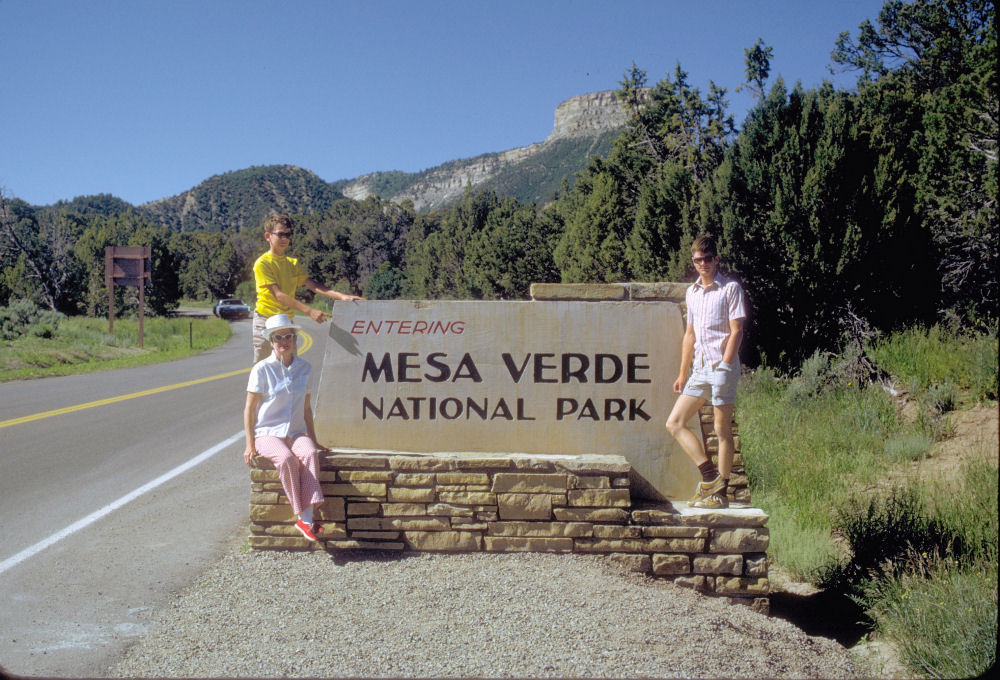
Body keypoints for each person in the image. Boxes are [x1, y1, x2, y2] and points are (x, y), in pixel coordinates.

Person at [665, 234, 747, 509]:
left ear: (716, 259)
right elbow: (690, 335)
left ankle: (720, 495)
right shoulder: (693, 292)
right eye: (698, 259)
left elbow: (737, 330)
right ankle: (711, 477)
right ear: (693, 261)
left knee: (721, 430)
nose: (703, 264)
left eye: (707, 258)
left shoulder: (730, 289)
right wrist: (682, 373)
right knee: (674, 423)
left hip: (721, 367)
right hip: (699, 369)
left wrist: (725, 364)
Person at [244, 313, 326, 541]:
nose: (283, 341)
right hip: (268, 433)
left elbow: (307, 409)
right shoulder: (261, 369)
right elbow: (249, 410)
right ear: (271, 341)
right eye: (278, 337)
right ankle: (303, 515)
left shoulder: (305, 368)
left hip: (296, 432)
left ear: (294, 339)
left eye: (288, 336)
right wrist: (249, 444)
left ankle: (307, 520)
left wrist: (314, 438)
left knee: (309, 453)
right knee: (287, 459)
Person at [251, 214, 363, 363]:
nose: (285, 238)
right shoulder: (262, 263)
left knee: (290, 368)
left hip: (286, 321)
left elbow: (314, 286)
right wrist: (309, 311)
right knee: (262, 369)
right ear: (268, 236)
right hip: (265, 320)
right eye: (280, 234)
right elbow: (279, 295)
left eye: (288, 234)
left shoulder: (292, 263)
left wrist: (342, 297)